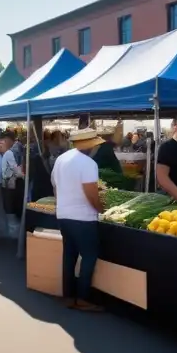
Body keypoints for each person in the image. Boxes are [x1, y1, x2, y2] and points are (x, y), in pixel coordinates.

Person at [52, 128, 106, 312]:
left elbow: (55, 185)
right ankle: (83, 298)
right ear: (91, 145)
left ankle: (68, 296)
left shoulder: (62, 159)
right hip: (83, 217)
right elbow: (91, 192)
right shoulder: (89, 163)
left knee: (69, 255)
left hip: (63, 214)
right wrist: (101, 209)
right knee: (89, 256)